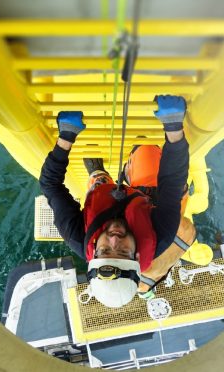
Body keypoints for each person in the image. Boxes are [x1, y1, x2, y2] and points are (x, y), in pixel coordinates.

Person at [39, 95, 191, 308]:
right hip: (147, 201)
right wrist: (174, 128)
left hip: (105, 197)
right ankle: (132, 164)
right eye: (122, 252)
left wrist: (65, 138)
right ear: (137, 256)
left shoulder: (76, 235)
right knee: (146, 149)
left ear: (93, 252)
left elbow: (50, 185)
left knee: (98, 181)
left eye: (105, 251)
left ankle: (98, 173)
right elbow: (172, 182)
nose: (114, 239)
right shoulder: (161, 235)